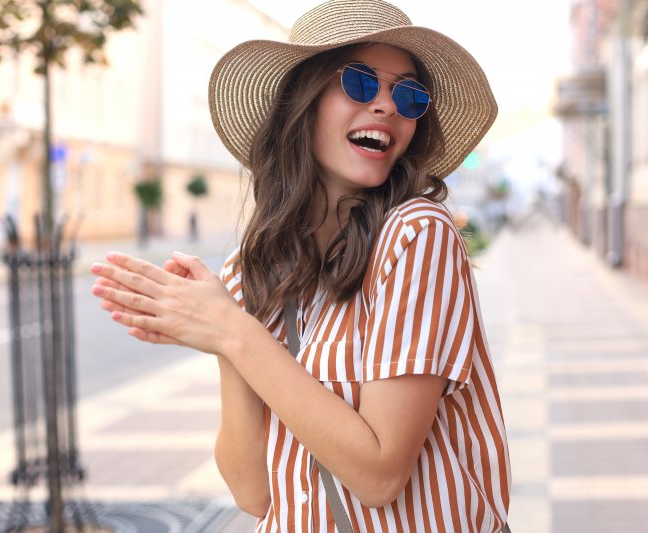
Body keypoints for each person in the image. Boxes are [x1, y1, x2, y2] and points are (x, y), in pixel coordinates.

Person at [90, 0, 511, 531]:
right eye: (360, 83)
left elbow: (380, 475)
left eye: (408, 94)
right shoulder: (255, 265)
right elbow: (253, 492)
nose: (386, 106)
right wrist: (225, 335)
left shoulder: (416, 234)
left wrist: (233, 330)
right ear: (303, 102)